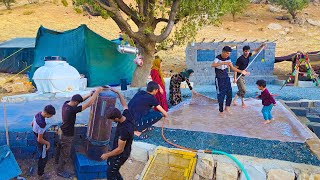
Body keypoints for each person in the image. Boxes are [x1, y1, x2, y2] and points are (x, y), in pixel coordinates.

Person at [56, 87, 103, 178]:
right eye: (78, 103)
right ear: (76, 103)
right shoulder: (71, 110)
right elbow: (88, 104)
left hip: (61, 131)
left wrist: (89, 94)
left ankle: (57, 161)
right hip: (67, 135)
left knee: (60, 148)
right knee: (65, 153)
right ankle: (60, 170)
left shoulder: (66, 104)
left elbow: (80, 100)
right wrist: (97, 92)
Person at [100, 87, 134, 180]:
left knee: (110, 173)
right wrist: (118, 92)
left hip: (121, 155)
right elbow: (125, 105)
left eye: (111, 120)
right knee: (114, 171)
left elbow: (120, 149)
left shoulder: (124, 130)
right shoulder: (127, 115)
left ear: (116, 119)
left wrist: (107, 155)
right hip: (120, 152)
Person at [211, 46, 247, 116]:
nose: (228, 55)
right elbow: (213, 65)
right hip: (219, 79)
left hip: (226, 78)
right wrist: (223, 63)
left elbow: (233, 68)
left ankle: (227, 108)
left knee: (229, 93)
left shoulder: (228, 58)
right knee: (221, 95)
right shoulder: (218, 58)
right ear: (223, 52)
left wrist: (241, 71)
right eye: (227, 53)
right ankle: (221, 111)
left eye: (229, 53)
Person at [31, 105, 56, 179]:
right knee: (43, 157)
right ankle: (40, 174)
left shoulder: (37, 114)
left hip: (35, 135)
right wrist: (48, 143)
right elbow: (40, 139)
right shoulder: (42, 124)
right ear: (47, 114)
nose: (51, 117)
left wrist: (37, 131)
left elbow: (32, 124)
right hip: (40, 140)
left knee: (41, 154)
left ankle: (40, 172)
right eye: (51, 115)